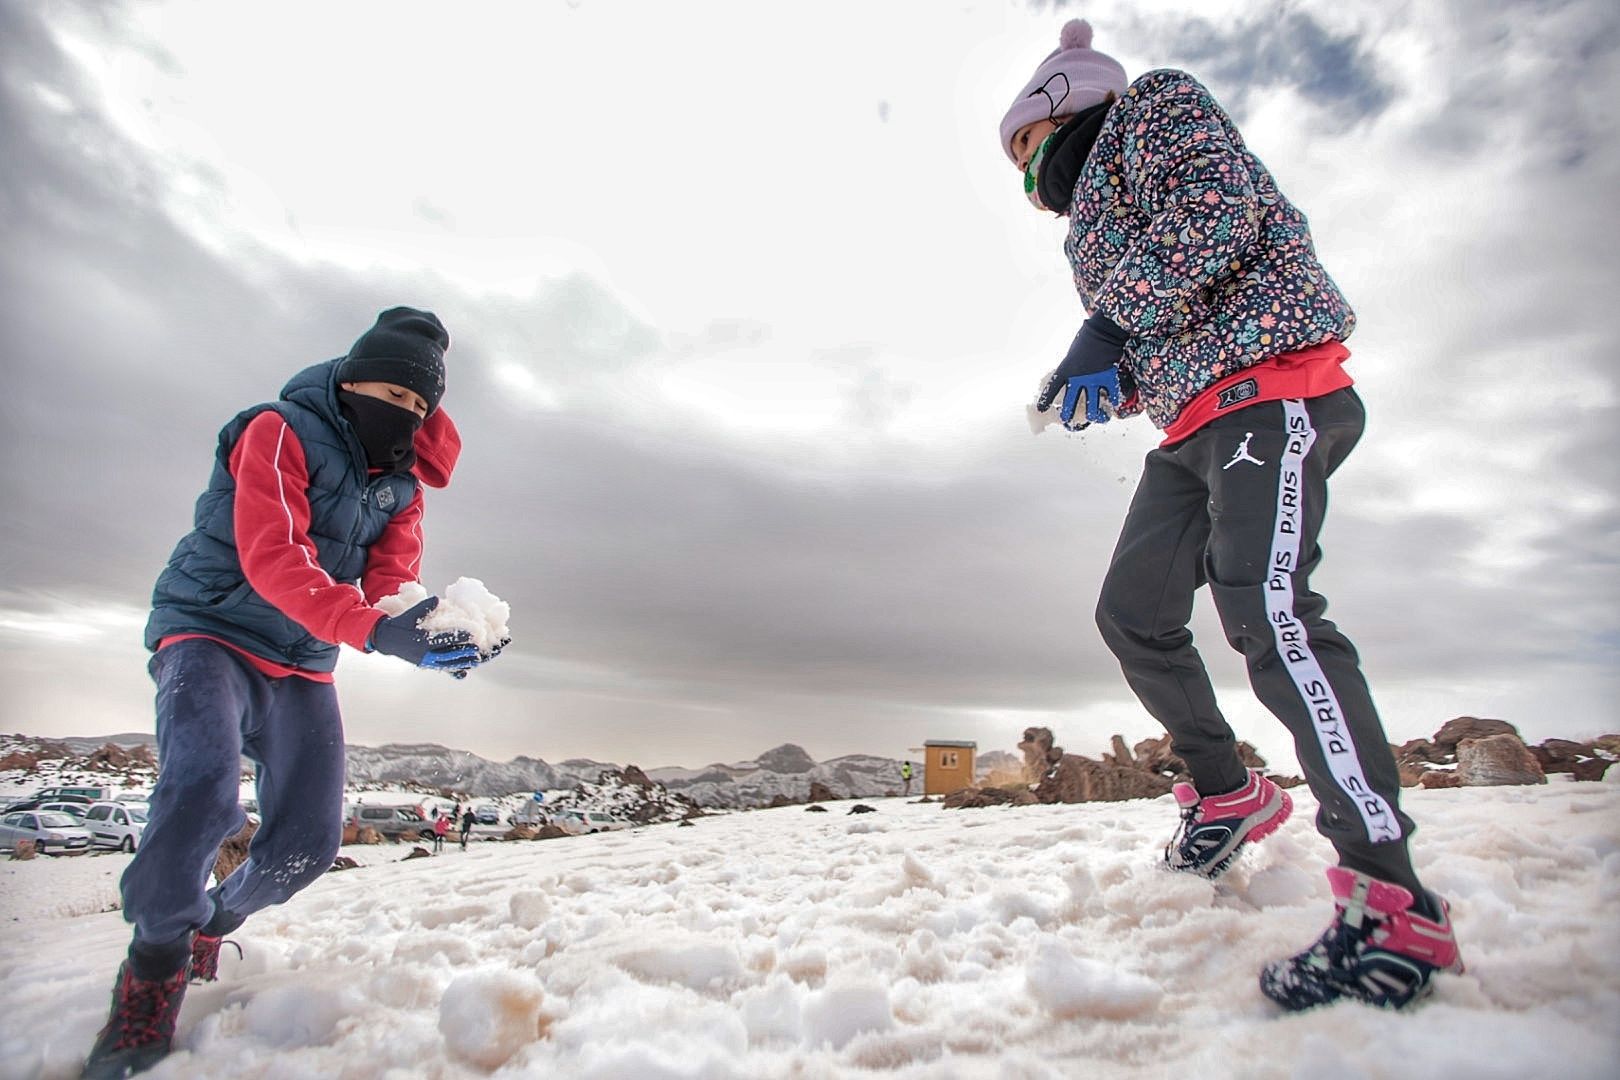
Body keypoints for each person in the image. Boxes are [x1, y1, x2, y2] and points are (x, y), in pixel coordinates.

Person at [998, 20, 1462, 1011]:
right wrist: (1105, 379)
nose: (1022, 176)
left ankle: (1393, 903)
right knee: (1134, 613)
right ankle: (1227, 792)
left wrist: (1107, 324)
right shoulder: (1091, 229)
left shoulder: (1153, 108)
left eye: (1022, 149)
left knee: (1269, 614)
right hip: (1196, 422)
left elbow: (1212, 226)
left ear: (1059, 109)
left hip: (1277, 392)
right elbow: (1172, 312)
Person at [84, 307, 499, 1080]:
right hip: (209, 631)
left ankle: (212, 921)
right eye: (389, 392)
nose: (401, 413)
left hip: (303, 658)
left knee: (307, 844)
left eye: (418, 406)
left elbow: (385, 584)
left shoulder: (403, 487)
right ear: (350, 380)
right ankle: (152, 968)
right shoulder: (275, 431)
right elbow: (274, 559)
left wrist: (438, 632)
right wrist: (374, 633)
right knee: (201, 792)